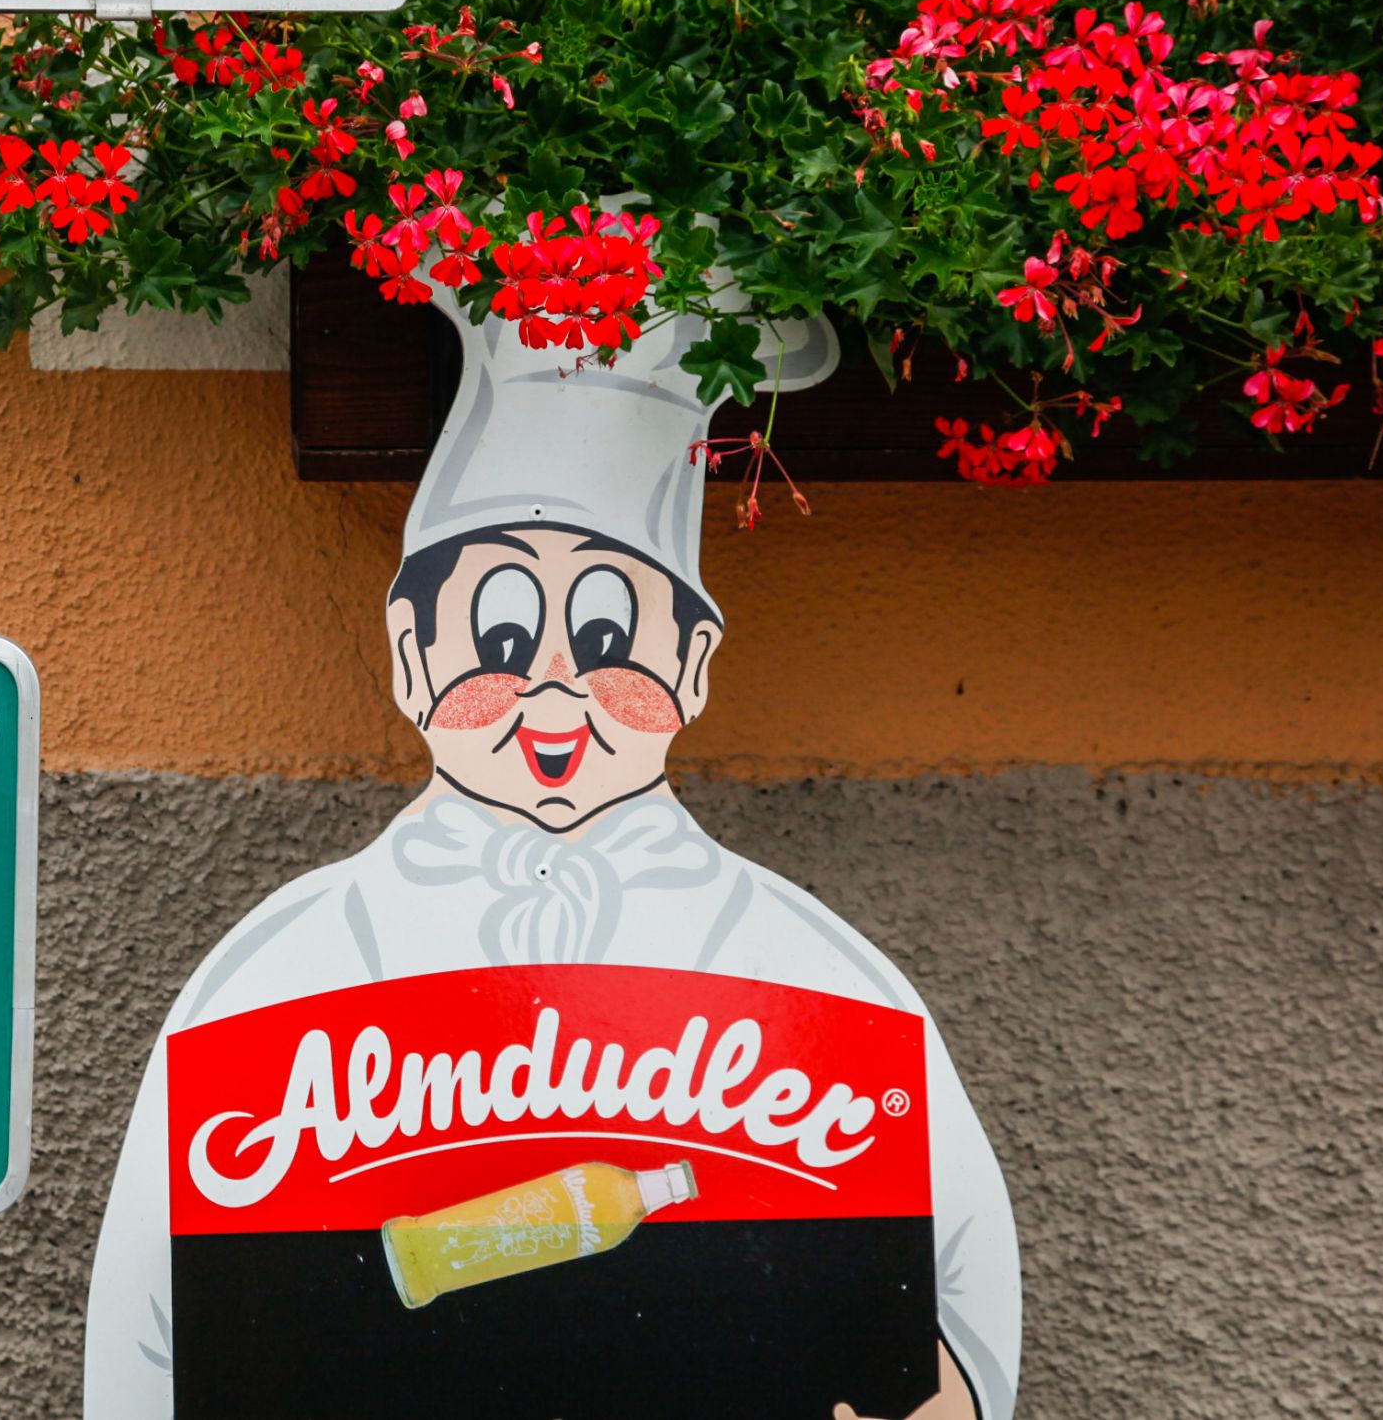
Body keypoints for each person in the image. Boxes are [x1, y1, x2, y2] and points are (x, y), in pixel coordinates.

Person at [82, 291, 1022, 1420]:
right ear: (409, 656)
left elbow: (958, 1303)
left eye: (615, 637)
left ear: (694, 664)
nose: (556, 688)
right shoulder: (279, 970)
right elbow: (149, 1333)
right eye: (503, 638)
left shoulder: (815, 977)